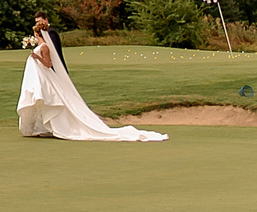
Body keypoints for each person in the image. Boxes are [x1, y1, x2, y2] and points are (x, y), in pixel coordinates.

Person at [17, 14, 165, 141]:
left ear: (38, 34)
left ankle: (57, 127)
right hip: (41, 76)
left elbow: (48, 64)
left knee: (51, 99)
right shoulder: (41, 45)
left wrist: (36, 57)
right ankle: (42, 127)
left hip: (46, 76)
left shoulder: (44, 47)